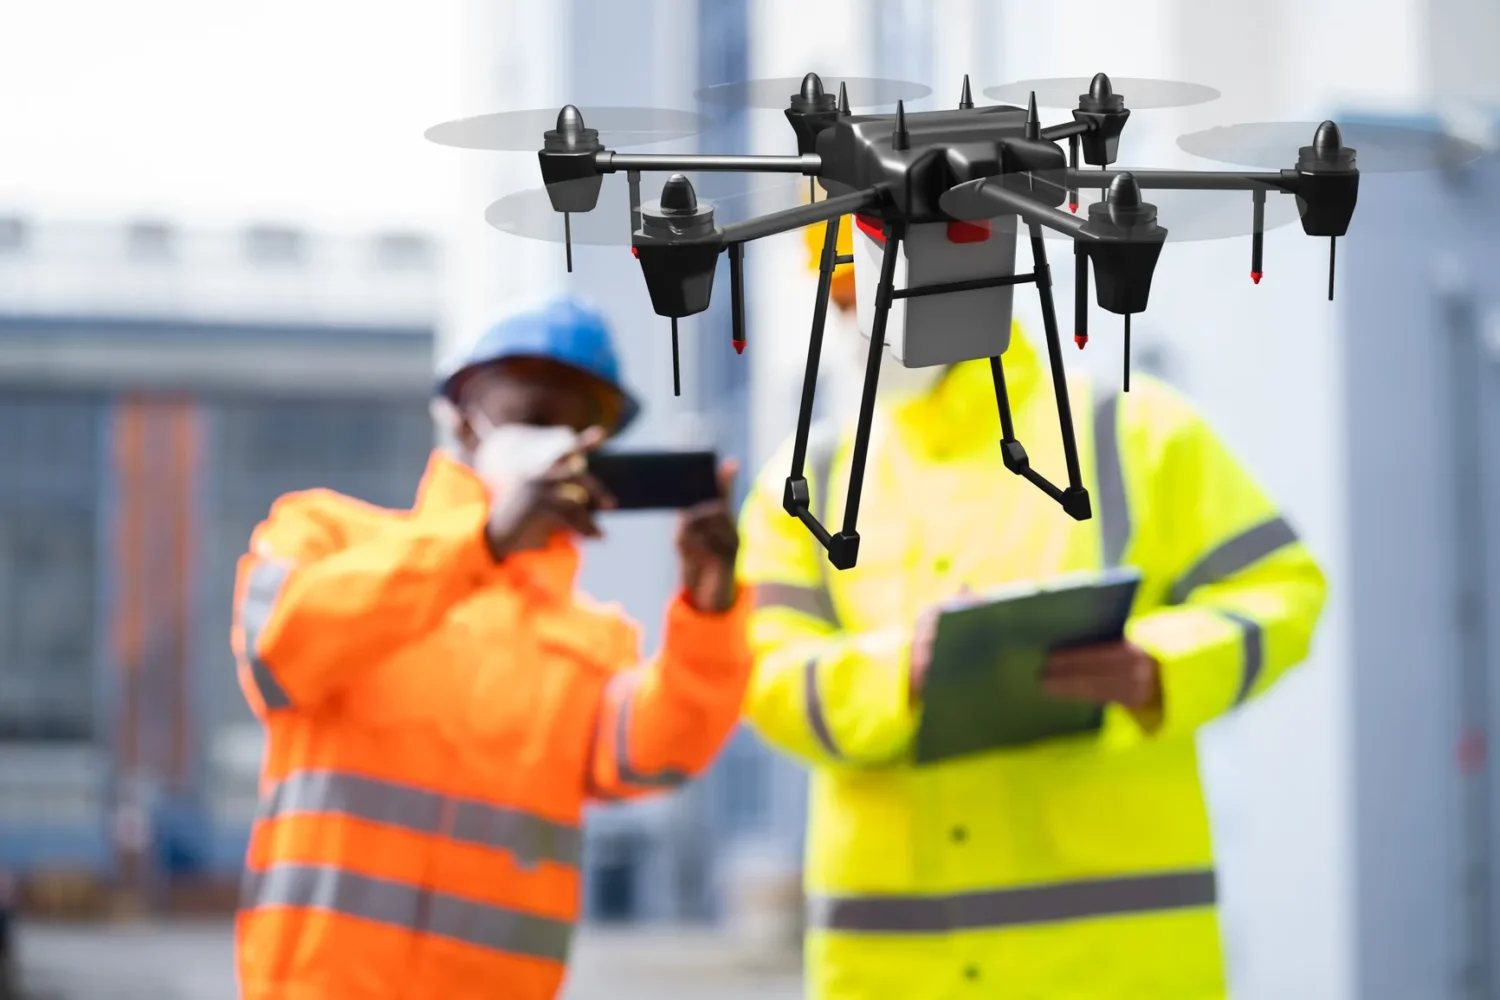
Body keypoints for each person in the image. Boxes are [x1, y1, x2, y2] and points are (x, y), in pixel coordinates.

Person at [737, 220, 1329, 999]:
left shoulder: (1134, 429)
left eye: (875, 299)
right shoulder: (808, 478)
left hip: (1118, 971)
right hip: (894, 973)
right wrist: (898, 672)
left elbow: (1283, 589)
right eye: (841, 300)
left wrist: (1158, 667)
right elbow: (760, 671)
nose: (858, 327)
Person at [230, 295, 751, 1000]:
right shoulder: (322, 537)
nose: (558, 438)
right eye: (534, 414)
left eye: (580, 424)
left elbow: (655, 755)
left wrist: (709, 612)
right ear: (460, 416)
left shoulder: (591, 641)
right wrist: (484, 543)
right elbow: (284, 650)